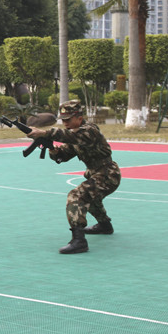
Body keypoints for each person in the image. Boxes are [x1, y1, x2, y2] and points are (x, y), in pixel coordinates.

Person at [28, 100, 121, 254]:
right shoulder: (73, 134)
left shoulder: (89, 131)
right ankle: (105, 225)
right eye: (63, 120)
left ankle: (79, 240)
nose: (65, 123)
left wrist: (45, 132)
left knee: (76, 196)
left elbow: (70, 136)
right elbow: (62, 156)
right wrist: (50, 147)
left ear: (79, 117)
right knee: (90, 197)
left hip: (108, 174)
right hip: (97, 173)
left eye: (68, 119)